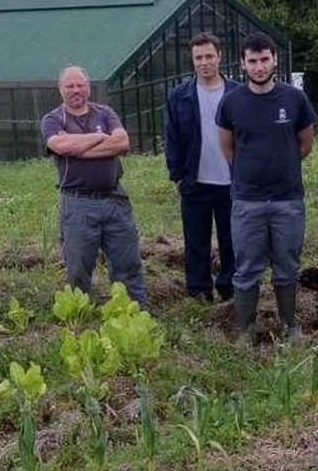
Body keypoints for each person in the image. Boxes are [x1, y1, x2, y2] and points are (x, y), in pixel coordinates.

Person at [217, 32, 317, 345]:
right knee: (247, 268)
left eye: (264, 60)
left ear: (274, 60)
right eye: (252, 61)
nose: (259, 66)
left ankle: (290, 326)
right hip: (248, 201)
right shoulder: (231, 102)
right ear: (243, 65)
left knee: (287, 266)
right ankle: (246, 330)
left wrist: (280, 164)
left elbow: (305, 144)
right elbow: (228, 148)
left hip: (287, 200)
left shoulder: (294, 99)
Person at [41, 65, 147, 305]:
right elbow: (62, 147)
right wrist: (100, 137)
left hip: (115, 202)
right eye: (70, 86)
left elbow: (122, 142)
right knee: (78, 269)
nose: (76, 90)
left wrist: (78, 148)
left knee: (127, 264)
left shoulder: (105, 113)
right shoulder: (53, 119)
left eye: (81, 85)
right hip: (78, 204)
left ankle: (134, 313)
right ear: (61, 90)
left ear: (88, 88)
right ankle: (81, 318)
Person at [164, 32, 242, 302]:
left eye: (209, 56)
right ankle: (199, 289)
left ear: (220, 56)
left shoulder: (238, 93)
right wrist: (176, 175)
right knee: (196, 241)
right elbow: (172, 136)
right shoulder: (180, 96)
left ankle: (230, 287)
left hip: (232, 181)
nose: (204, 62)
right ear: (192, 60)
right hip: (195, 180)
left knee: (231, 240)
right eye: (198, 57)